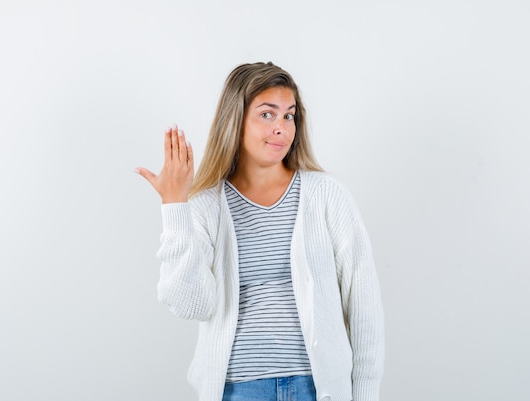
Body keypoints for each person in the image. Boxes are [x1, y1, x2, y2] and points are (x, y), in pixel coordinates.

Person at [136, 62, 384, 401]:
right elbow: (191, 304)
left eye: (289, 115)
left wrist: (366, 394)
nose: (281, 127)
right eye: (267, 115)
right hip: (238, 390)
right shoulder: (207, 205)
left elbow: (364, 305)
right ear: (235, 121)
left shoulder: (327, 195)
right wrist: (176, 206)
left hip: (317, 388)